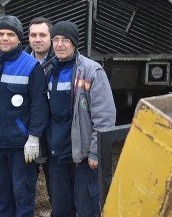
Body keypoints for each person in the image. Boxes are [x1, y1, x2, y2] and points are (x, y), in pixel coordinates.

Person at [0, 16, 48, 217]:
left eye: (10, 34)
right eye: (0, 34)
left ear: (19, 39)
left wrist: (34, 137)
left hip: (21, 147)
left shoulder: (31, 66)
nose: (4, 38)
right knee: (1, 196)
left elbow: (39, 107)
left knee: (23, 197)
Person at [46, 22, 116, 217]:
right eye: (56, 40)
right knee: (60, 209)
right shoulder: (49, 69)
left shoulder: (92, 71)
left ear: (75, 44)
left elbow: (105, 116)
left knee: (87, 208)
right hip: (58, 152)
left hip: (83, 155)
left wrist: (95, 152)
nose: (60, 45)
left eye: (65, 40)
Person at [25, 17, 55, 202]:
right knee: (27, 179)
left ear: (51, 38)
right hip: (28, 129)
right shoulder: (20, 61)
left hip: (54, 128)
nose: (37, 39)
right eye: (33, 35)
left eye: (43, 35)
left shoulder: (62, 61)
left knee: (56, 181)